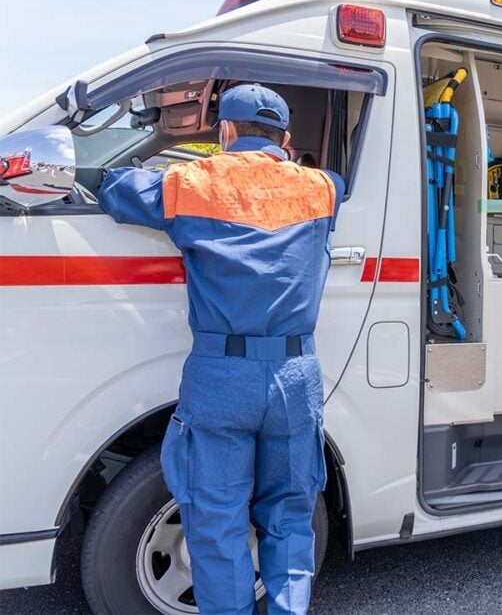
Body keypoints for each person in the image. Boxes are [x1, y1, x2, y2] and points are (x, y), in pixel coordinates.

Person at [99, 83, 345, 615]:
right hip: (296, 376)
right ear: (284, 137)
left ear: (226, 131)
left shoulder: (188, 182)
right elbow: (334, 185)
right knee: (290, 516)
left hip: (222, 374)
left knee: (216, 517)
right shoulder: (324, 188)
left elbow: (114, 187)